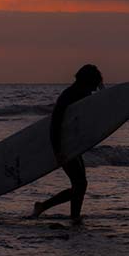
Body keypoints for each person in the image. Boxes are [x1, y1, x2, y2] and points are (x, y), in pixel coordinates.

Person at [32, 64, 104, 224]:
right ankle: (43, 206)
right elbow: (55, 124)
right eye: (93, 85)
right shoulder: (69, 96)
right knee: (80, 184)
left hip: (72, 145)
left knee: (80, 184)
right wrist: (58, 150)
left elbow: (102, 111)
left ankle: (73, 216)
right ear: (87, 82)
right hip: (64, 145)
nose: (94, 89)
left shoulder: (80, 95)